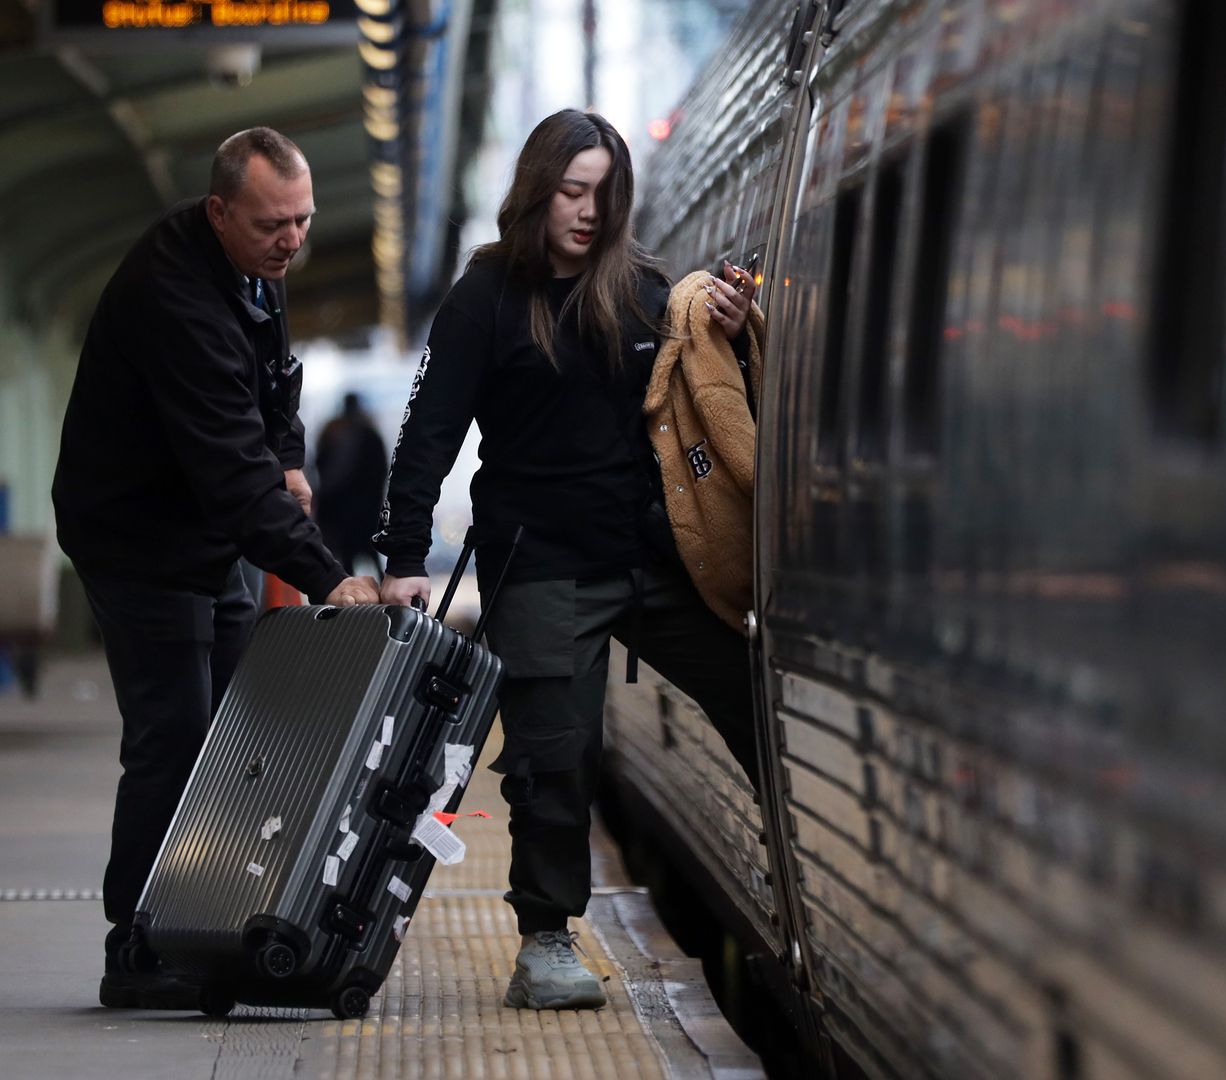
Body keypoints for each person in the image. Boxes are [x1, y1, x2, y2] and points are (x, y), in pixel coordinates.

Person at [373, 109, 763, 1011]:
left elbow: (700, 391)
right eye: (572, 190)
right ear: (539, 188)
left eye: (603, 194)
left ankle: (799, 862)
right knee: (556, 758)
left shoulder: (643, 290)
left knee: (751, 687)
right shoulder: (485, 299)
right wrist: (401, 554)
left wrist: (732, 330)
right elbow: (426, 435)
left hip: (649, 560)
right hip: (540, 565)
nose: (587, 212)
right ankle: (545, 939)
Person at [51, 127, 382, 1010]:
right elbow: (232, 473)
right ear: (218, 211)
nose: (293, 240)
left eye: (304, 220)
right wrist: (327, 575)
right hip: (136, 541)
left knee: (237, 736)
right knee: (174, 735)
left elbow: (273, 385)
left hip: (209, 536)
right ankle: (140, 944)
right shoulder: (174, 296)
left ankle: (213, 917)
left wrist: (294, 456)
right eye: (276, 223)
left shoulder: (254, 271)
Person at [314, 392, 389, 574]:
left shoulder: (333, 432)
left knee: (344, 562)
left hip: (340, 513)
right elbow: (382, 471)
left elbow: (319, 465)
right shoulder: (370, 433)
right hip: (365, 512)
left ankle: (349, 598)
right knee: (371, 556)